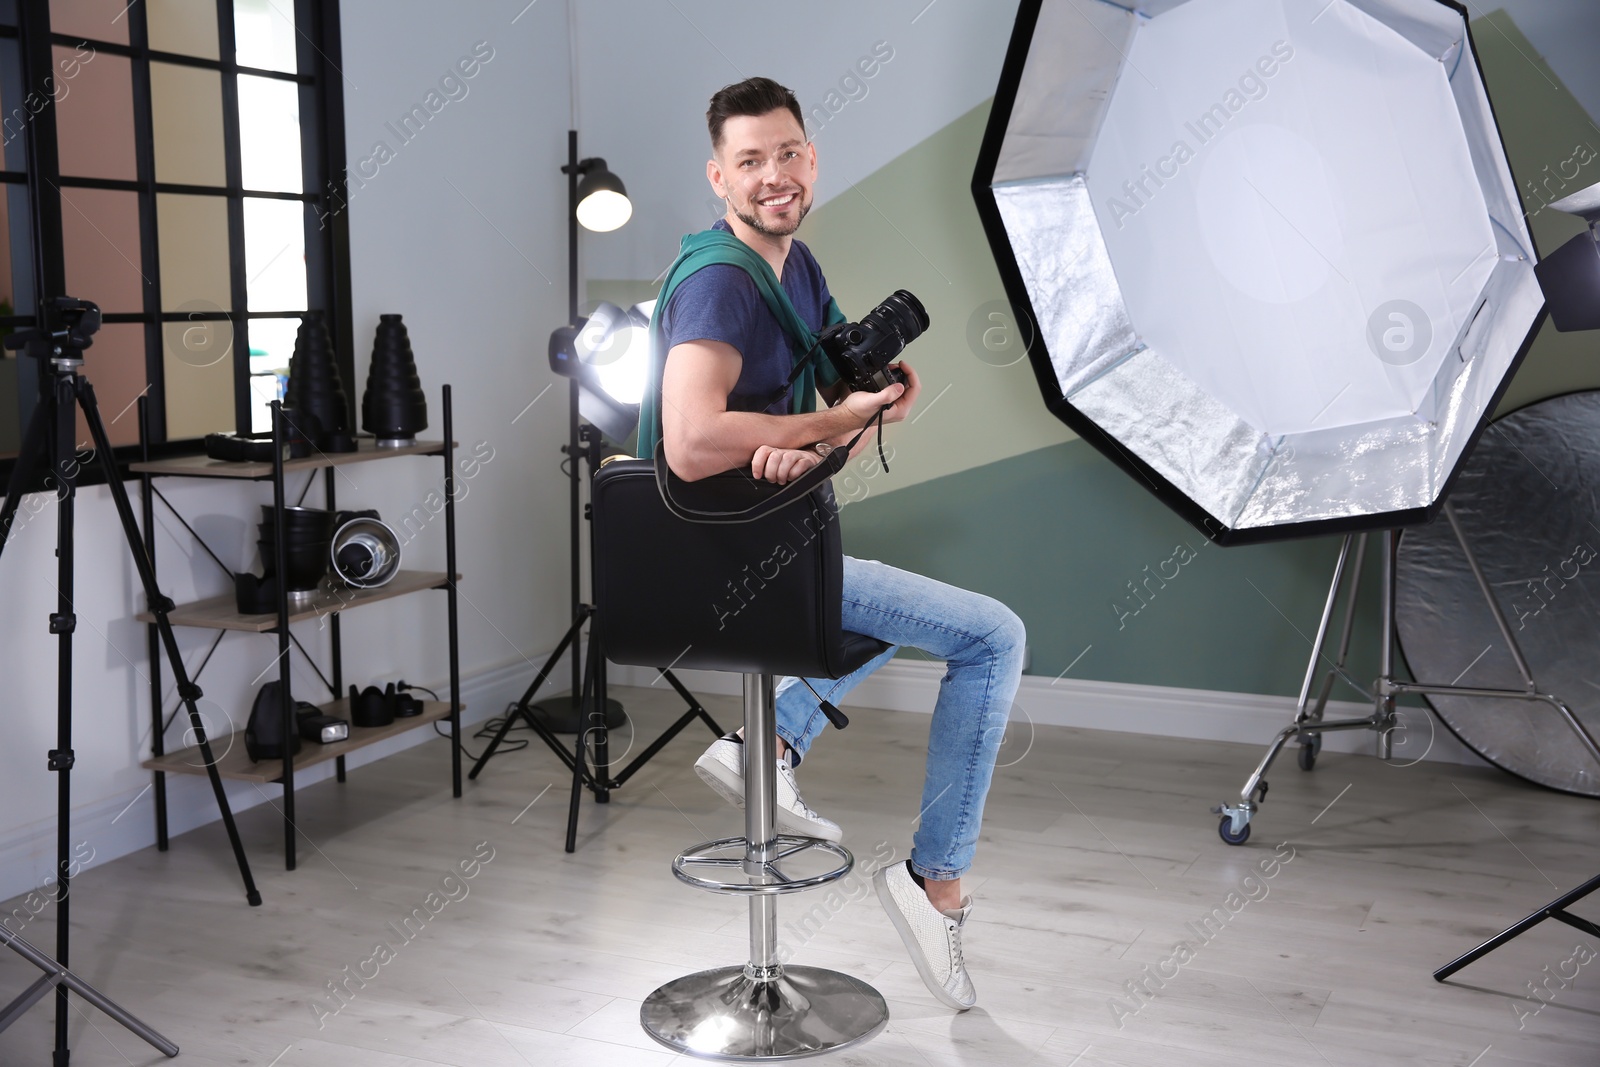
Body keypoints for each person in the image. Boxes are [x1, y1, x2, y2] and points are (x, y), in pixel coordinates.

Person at [636, 76, 1025, 1011]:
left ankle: (769, 742)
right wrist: (814, 429)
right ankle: (935, 883)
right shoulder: (723, 285)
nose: (773, 175)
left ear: (812, 158)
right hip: (718, 564)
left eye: (788, 153)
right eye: (750, 161)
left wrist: (865, 410)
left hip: (775, 546)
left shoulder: (793, 268)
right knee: (993, 635)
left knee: (899, 608)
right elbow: (689, 442)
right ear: (717, 177)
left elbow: (824, 434)